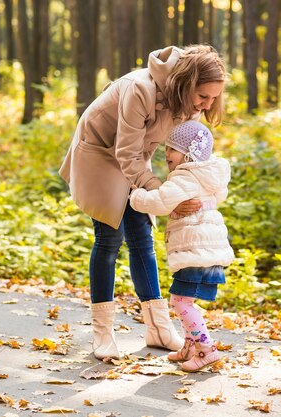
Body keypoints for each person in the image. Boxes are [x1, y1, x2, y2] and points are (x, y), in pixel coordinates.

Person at [59, 45, 227, 360]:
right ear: (186, 84)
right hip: (100, 154)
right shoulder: (140, 88)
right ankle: (103, 333)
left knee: (142, 239)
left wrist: (189, 188)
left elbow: (184, 151)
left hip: (136, 158)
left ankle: (158, 328)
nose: (207, 105)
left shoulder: (188, 101)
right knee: (110, 238)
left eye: (213, 99)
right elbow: (125, 153)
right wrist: (161, 193)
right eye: (203, 96)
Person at [129, 120, 234, 372]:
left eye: (172, 149)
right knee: (185, 300)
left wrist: (135, 196)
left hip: (194, 252)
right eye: (165, 148)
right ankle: (190, 346)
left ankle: (207, 349)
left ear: (188, 154)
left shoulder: (184, 178)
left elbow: (159, 202)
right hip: (207, 252)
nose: (166, 154)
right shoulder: (208, 178)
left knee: (180, 302)